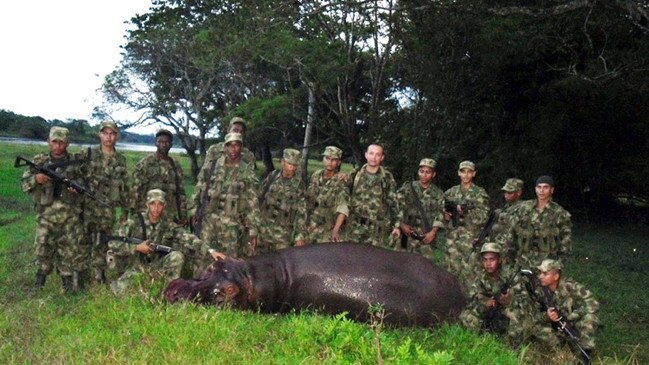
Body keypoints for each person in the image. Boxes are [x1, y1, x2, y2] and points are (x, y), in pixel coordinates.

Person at [108, 189, 222, 294]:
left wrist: (211, 251)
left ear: (164, 206)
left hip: (157, 267)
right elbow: (113, 243)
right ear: (147, 205)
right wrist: (136, 248)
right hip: (136, 268)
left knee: (177, 256)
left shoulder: (167, 225)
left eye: (160, 204)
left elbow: (188, 238)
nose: (156, 208)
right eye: (153, 204)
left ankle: (168, 291)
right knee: (120, 293)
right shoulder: (133, 222)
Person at [20, 127, 88, 293]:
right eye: (54, 142)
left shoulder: (76, 163)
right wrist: (37, 179)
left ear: (67, 143)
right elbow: (24, 185)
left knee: (69, 252)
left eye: (61, 142)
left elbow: (85, 187)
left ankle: (67, 286)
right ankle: (39, 285)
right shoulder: (39, 162)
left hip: (69, 217)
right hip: (46, 216)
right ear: (49, 142)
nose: (58, 146)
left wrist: (77, 190)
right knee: (43, 249)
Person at [190, 132, 261, 257]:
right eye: (230, 145)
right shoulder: (212, 166)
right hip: (208, 220)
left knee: (228, 262)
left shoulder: (247, 171)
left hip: (232, 224)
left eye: (237, 145)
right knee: (202, 256)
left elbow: (253, 202)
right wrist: (193, 210)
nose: (233, 149)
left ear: (241, 147)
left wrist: (253, 229)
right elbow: (199, 187)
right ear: (225, 147)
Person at [83, 121, 129, 284]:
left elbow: (124, 187)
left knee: (102, 241)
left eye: (112, 134)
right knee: (84, 240)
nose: (109, 137)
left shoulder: (120, 159)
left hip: (108, 209)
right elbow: (76, 177)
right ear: (100, 134)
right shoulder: (88, 154)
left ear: (116, 136)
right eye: (105, 133)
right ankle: (81, 273)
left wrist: (124, 211)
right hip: (87, 207)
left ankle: (100, 273)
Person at [528, 259, 599, 363]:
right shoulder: (538, 290)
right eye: (540, 273)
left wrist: (570, 318)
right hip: (554, 327)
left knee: (590, 319)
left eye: (545, 274)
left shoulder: (570, 286)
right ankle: (560, 348)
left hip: (572, 325)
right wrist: (547, 316)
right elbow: (534, 316)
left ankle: (584, 357)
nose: (540, 276)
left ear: (556, 276)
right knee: (534, 327)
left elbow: (593, 304)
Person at [459, 242, 529, 347]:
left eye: (492, 259)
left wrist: (510, 301)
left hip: (509, 311)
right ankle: (475, 342)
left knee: (516, 315)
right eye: (485, 260)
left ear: (499, 260)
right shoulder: (481, 278)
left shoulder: (511, 275)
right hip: (492, 311)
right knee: (465, 316)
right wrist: (484, 303)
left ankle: (513, 348)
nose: (488, 263)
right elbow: (471, 300)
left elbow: (525, 298)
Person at [497, 175, 572, 267]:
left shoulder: (560, 214)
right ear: (535, 189)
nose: (542, 190)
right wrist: (508, 259)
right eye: (539, 187)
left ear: (552, 190)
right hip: (521, 264)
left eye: (545, 187)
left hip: (546, 266)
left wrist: (558, 266)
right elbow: (510, 234)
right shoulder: (523, 209)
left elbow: (565, 244)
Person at [346, 143, 402, 247]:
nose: (374, 157)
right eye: (371, 153)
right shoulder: (355, 174)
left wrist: (396, 226)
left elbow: (394, 203)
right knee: (351, 259)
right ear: (366, 155)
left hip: (375, 230)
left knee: (373, 261)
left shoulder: (387, 178)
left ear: (382, 157)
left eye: (377, 154)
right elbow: (343, 195)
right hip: (354, 227)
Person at [442, 160, 490, 280]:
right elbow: (440, 210)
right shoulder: (450, 193)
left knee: (472, 276)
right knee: (449, 276)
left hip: (471, 241)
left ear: (474, 174)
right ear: (459, 173)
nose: (466, 175)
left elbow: (484, 217)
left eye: (469, 172)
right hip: (452, 242)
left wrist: (465, 212)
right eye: (463, 172)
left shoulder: (480, 194)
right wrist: (445, 215)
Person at [130, 129, 188, 226]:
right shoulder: (146, 163)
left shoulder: (175, 166)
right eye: (161, 141)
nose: (164, 145)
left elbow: (180, 193)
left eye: (167, 142)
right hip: (148, 213)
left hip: (168, 214)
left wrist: (183, 215)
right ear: (156, 143)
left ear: (171, 144)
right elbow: (135, 190)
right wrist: (132, 213)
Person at [258, 148, 308, 251]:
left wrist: (300, 236)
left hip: (282, 235)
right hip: (263, 230)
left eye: (295, 165)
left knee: (279, 265)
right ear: (282, 162)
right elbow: (259, 197)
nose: (292, 168)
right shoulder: (273, 176)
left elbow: (302, 213)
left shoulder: (299, 185)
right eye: (289, 164)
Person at [397, 158, 444, 260]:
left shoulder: (438, 194)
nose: (424, 174)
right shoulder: (407, 188)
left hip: (425, 237)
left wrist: (433, 232)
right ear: (418, 172)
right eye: (422, 171)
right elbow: (396, 205)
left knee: (425, 269)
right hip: (406, 236)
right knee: (400, 266)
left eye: (428, 172)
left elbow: (441, 214)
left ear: (433, 174)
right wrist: (401, 224)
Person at [306, 146, 350, 243]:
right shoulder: (316, 175)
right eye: (327, 158)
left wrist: (335, 230)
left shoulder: (340, 181)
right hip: (312, 227)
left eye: (334, 160)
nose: (329, 162)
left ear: (339, 163)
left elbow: (343, 208)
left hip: (328, 230)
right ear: (323, 159)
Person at [488, 178, 524, 242]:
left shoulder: (523, 208)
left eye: (510, 192)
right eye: (505, 192)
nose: (506, 195)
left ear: (519, 192)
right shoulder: (505, 208)